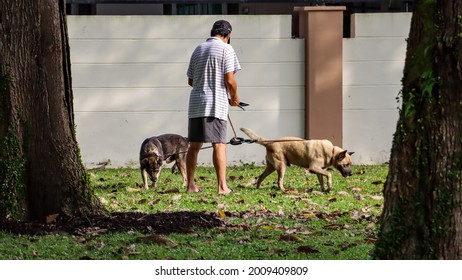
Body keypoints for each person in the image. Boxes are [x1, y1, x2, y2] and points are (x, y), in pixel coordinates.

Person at [185, 20, 241, 195]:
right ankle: (222, 186)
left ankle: (190, 186)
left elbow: (190, 80)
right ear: (228, 35)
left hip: (196, 104)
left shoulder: (198, 49)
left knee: (194, 146)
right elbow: (230, 80)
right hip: (215, 105)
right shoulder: (227, 49)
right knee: (219, 144)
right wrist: (235, 98)